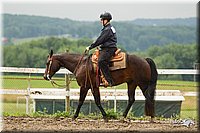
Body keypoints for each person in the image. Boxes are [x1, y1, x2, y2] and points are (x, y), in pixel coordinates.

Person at [86, 12, 117, 87]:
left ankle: (109, 80)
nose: (101, 21)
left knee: (101, 61)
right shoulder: (109, 28)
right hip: (109, 47)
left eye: (102, 19)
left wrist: (90, 47)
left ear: (106, 20)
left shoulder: (107, 29)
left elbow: (100, 40)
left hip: (108, 49)